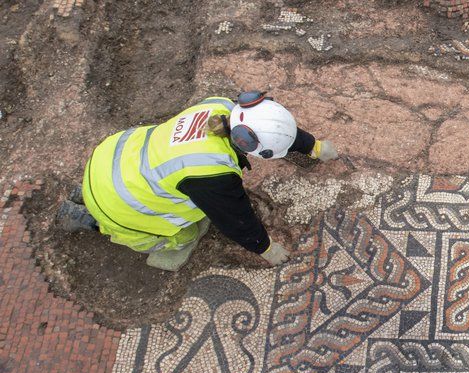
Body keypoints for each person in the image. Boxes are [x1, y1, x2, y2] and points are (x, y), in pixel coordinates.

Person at [56, 91, 342, 271]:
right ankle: (88, 219)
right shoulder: (211, 174)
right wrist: (265, 248)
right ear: (249, 147)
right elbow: (236, 220)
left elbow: (272, 127)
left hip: (113, 157)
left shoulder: (221, 106)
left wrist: (314, 146)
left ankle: (86, 191)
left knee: (153, 181)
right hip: (119, 202)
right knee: (186, 235)